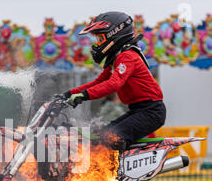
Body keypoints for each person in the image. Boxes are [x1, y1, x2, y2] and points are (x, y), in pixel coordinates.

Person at [62, 11, 166, 151]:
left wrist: (84, 95)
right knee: (100, 136)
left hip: (151, 112)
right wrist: (68, 94)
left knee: (112, 138)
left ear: (113, 34)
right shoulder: (117, 57)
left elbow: (114, 83)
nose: (96, 44)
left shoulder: (127, 56)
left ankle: (123, 168)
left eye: (99, 39)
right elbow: (98, 82)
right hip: (138, 110)